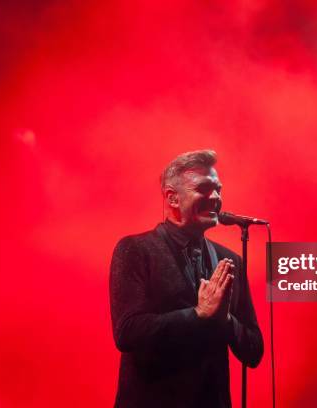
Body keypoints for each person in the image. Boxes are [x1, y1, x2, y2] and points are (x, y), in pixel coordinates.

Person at [109, 149, 263, 408]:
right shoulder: (135, 249)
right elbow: (127, 333)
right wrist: (198, 315)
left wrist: (225, 320)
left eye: (218, 189)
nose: (215, 197)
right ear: (172, 197)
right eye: (203, 188)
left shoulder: (231, 261)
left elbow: (254, 351)